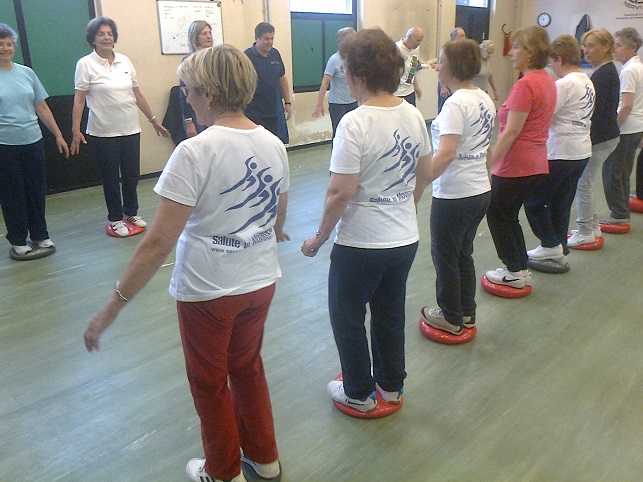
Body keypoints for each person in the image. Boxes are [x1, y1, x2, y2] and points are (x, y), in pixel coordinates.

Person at [83, 44, 290, 482]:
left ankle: (223, 472)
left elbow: (157, 244)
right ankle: (265, 458)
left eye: (188, 90)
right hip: (260, 282)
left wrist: (112, 307)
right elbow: (278, 218)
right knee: (247, 368)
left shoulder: (194, 152)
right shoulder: (273, 143)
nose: (187, 98)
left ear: (208, 94)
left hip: (209, 292)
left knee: (209, 384)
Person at [301, 28, 431, 413]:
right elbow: (424, 173)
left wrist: (319, 237)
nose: (343, 75)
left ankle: (358, 392)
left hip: (362, 244)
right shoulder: (413, 114)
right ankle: (391, 386)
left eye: (346, 69)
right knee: (390, 313)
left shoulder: (354, 123)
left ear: (358, 75)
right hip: (404, 239)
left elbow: (339, 192)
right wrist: (406, 205)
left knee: (347, 315)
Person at [415, 39, 495, 335]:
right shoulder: (483, 98)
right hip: (478, 190)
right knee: (463, 253)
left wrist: (419, 186)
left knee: (446, 255)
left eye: (442, 61)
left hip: (455, 194)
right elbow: (486, 148)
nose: (437, 66)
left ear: (454, 66)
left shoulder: (455, 104)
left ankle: (450, 316)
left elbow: (446, 153)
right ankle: (466, 312)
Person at [71, 17, 169, 237]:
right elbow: (79, 99)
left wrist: (154, 120)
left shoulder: (124, 61)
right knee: (111, 179)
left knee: (132, 176)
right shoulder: (85, 64)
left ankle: (131, 212)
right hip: (103, 133)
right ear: (93, 39)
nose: (106, 37)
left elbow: (137, 94)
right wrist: (75, 130)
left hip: (130, 129)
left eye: (109, 33)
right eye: (101, 34)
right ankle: (115, 218)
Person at [485, 25, 556, 289]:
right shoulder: (546, 79)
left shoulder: (525, 84)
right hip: (536, 163)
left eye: (516, 47)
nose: (511, 52)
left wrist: (490, 164)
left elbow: (512, 131)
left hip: (516, 164)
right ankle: (519, 268)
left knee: (496, 213)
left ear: (531, 52)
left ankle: (514, 270)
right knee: (508, 214)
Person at [0, 23, 70, 260]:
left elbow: (42, 107)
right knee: (12, 195)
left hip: (33, 142)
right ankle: (18, 239)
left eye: (9, 44)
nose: (5, 48)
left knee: (36, 191)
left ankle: (40, 235)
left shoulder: (26, 73)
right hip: (5, 147)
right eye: (0, 44)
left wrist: (58, 135)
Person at [524, 35, 595, 265]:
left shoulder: (565, 84)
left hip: (562, 151)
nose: (551, 68)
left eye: (551, 63)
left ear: (559, 59)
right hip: (580, 151)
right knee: (560, 202)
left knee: (534, 201)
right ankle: (559, 247)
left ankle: (550, 244)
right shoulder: (586, 81)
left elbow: (544, 114)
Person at [569, 28, 620, 247]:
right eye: (584, 46)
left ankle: (585, 231)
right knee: (586, 184)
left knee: (583, 184)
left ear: (606, 47)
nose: (586, 51)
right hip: (605, 136)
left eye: (591, 46)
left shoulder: (603, 75)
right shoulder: (605, 72)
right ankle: (593, 226)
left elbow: (594, 113)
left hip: (601, 138)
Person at [600, 27, 643, 225]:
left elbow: (626, 105)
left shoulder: (628, 71)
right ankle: (622, 209)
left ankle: (618, 213)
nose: (615, 50)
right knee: (623, 172)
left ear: (632, 47)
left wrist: (613, 129)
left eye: (618, 45)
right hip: (636, 128)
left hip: (625, 128)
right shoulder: (639, 67)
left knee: (611, 171)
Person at [244, 22, 291, 144]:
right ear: (256, 38)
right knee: (257, 145)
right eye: (266, 39)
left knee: (275, 143)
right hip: (254, 113)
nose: (270, 42)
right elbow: (240, 84)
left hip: (275, 111)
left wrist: (287, 102)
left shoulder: (275, 54)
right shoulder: (247, 57)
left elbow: (282, 78)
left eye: (272, 38)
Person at [312, 27, 357, 138]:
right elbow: (325, 83)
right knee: (339, 134)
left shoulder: (354, 58)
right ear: (342, 42)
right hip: (338, 104)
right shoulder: (334, 60)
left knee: (354, 133)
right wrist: (319, 105)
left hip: (352, 101)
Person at [182, 21, 213, 140]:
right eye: (204, 33)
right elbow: (184, 94)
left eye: (210, 33)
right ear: (195, 37)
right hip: (196, 113)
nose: (208, 36)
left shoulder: (214, 58)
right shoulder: (189, 61)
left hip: (214, 111)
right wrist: (189, 123)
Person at [394, 26, 425, 106]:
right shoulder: (397, 49)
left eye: (420, 41)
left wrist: (416, 87)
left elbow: (412, 68)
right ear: (409, 37)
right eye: (417, 40)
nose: (419, 43)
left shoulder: (416, 49)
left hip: (410, 91)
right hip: (397, 93)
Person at [437, 27, 466, 113]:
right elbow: (440, 69)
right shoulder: (446, 51)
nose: (464, 38)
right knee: (444, 111)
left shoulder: (462, 52)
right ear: (453, 37)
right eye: (461, 36)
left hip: (457, 85)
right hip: (446, 86)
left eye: (464, 36)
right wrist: (443, 87)